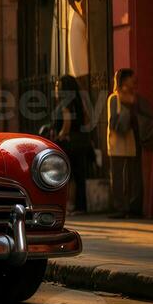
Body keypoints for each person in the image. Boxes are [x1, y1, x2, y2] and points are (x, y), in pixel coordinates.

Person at [105, 68, 151, 218]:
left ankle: (134, 208)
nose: (135, 81)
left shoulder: (136, 99)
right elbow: (113, 122)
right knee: (118, 177)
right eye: (132, 78)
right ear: (124, 80)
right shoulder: (114, 98)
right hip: (117, 143)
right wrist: (127, 109)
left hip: (132, 142)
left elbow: (148, 114)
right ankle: (120, 208)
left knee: (134, 177)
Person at [54, 75, 93, 212]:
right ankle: (81, 206)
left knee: (68, 177)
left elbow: (67, 121)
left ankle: (70, 205)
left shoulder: (65, 103)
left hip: (68, 143)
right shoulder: (78, 101)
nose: (56, 88)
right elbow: (87, 120)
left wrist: (61, 135)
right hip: (80, 142)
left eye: (58, 85)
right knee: (79, 176)